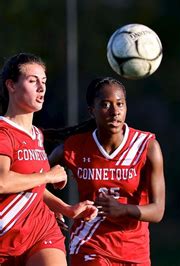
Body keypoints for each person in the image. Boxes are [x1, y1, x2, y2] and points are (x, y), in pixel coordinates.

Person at [47, 76, 166, 265]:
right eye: (105, 104)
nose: (115, 112)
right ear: (91, 111)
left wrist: (123, 209)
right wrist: (52, 206)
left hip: (135, 251)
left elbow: (158, 211)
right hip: (89, 245)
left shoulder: (147, 147)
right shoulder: (73, 148)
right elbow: (34, 180)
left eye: (120, 104)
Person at [0, 53, 97, 266]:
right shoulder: (3, 132)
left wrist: (66, 209)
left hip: (41, 230)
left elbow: (32, 188)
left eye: (43, 81)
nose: (41, 88)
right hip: (5, 237)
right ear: (11, 85)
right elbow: (3, 182)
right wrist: (47, 175)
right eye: (32, 81)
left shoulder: (37, 135)